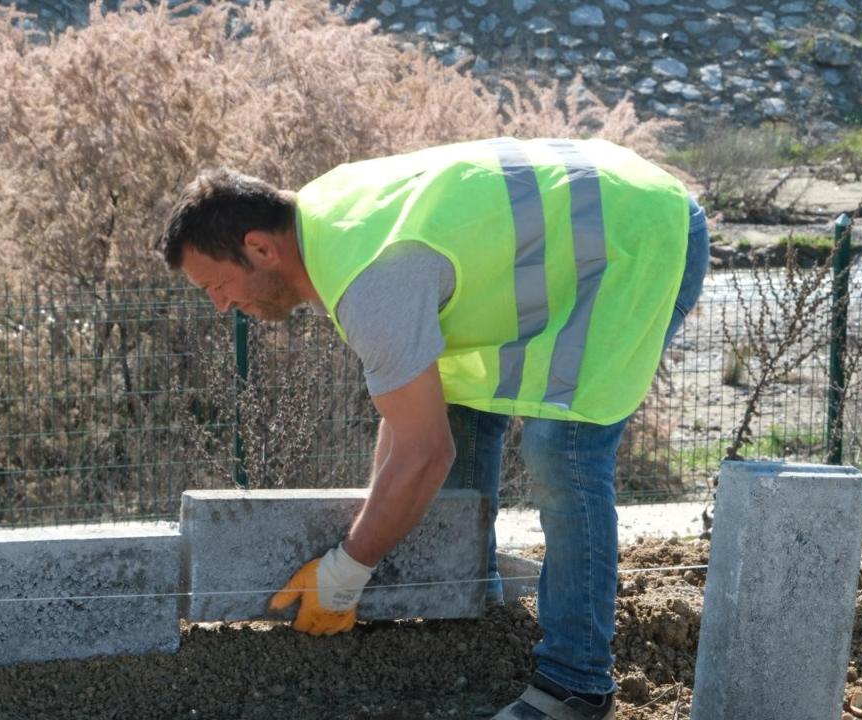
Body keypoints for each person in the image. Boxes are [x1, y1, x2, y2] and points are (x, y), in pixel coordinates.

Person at [160, 137, 709, 720]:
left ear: (259, 248)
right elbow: (411, 423)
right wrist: (370, 536)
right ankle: (474, 605)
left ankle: (576, 685)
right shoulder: (325, 221)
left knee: (562, 450)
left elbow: (423, 455)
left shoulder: (368, 280)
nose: (220, 305)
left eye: (214, 286)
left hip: (637, 235)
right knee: (461, 410)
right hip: (582, 237)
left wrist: (347, 568)